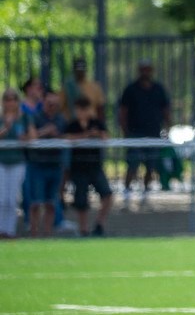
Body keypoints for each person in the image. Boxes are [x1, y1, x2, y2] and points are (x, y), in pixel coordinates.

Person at [118, 58, 171, 209]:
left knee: (151, 166)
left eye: (147, 69)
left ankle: (145, 196)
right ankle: (127, 197)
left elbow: (166, 110)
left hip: (153, 133)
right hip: (134, 133)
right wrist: (125, 131)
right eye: (143, 69)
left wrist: (167, 129)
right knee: (132, 165)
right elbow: (123, 111)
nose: (145, 72)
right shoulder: (131, 89)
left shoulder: (158, 89)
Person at [64, 95, 113, 236]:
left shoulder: (96, 123)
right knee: (81, 199)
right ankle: (83, 229)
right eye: (80, 109)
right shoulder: (72, 125)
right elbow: (66, 138)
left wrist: (97, 134)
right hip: (78, 167)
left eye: (85, 109)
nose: (83, 112)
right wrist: (86, 135)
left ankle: (99, 224)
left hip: (95, 166)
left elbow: (106, 137)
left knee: (107, 194)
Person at [22, 90, 67, 238]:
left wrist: (57, 135)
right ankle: (34, 233)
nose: (52, 106)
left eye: (55, 104)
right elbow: (30, 136)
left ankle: (47, 234)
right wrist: (45, 131)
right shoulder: (34, 117)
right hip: (38, 165)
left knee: (51, 202)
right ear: (44, 103)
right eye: (49, 104)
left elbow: (66, 137)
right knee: (35, 202)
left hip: (55, 165)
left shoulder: (61, 119)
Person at [1, 88, 32, 238]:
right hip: (1, 161)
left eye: (13, 99)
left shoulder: (24, 117)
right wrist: (6, 127)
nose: (10, 102)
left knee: (12, 199)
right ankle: (1, 230)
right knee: (1, 199)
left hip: (17, 162)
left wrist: (24, 137)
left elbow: (33, 136)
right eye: (7, 99)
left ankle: (10, 231)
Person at [63, 57, 106, 124]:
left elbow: (100, 109)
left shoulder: (95, 86)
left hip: (91, 124)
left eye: (82, 67)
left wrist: (101, 125)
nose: (80, 70)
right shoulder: (67, 86)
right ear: (74, 69)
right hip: (72, 124)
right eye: (78, 67)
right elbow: (61, 108)